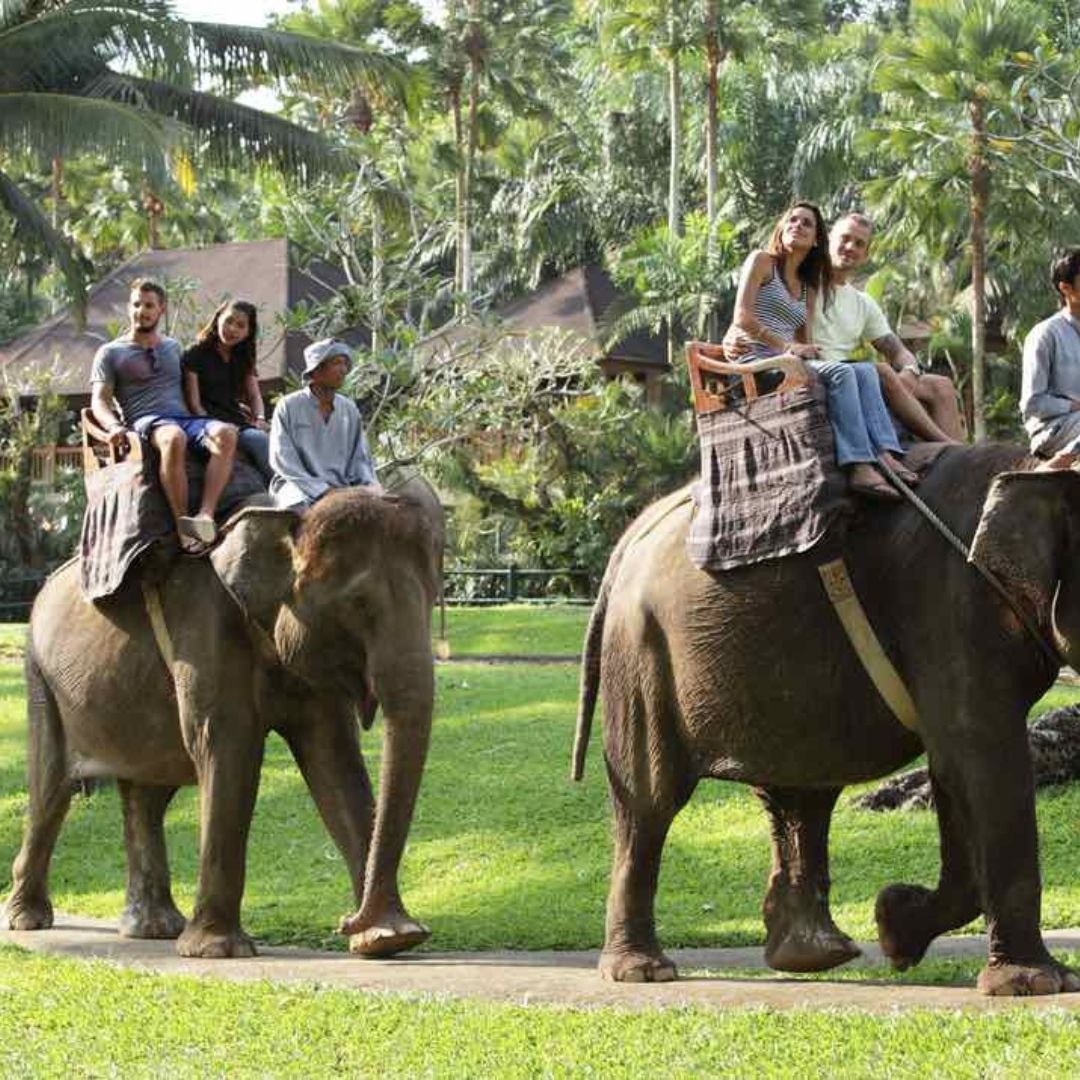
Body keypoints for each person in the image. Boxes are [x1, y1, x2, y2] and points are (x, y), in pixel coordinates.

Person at [724, 202, 912, 501]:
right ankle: (858, 464)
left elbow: (803, 338)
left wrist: (806, 350)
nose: (797, 225)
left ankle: (885, 452)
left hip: (786, 362)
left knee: (862, 370)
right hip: (756, 362)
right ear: (782, 228)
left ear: (815, 241)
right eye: (792, 220)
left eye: (807, 223)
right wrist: (785, 347)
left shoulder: (806, 286)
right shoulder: (762, 261)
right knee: (840, 371)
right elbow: (742, 317)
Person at [90, 279, 238, 553]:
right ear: (129, 307)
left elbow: (195, 389)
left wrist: (235, 408)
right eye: (136, 304)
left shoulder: (173, 347)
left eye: (148, 305)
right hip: (147, 420)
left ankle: (204, 515)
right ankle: (184, 526)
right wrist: (112, 426)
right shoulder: (110, 353)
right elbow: (99, 400)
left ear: (161, 310)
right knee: (173, 437)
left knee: (227, 432)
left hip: (184, 417)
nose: (141, 311)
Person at [814, 212, 964, 443]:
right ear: (828, 239)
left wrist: (910, 372)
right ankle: (947, 445)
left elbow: (897, 351)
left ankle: (960, 464)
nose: (850, 247)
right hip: (823, 374)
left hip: (857, 377)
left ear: (866, 255)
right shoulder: (804, 284)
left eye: (859, 244)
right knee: (881, 372)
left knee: (940, 386)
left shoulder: (863, 303)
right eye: (845, 238)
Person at [269, 338, 383, 509]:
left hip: (342, 487)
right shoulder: (288, 406)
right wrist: (322, 491)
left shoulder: (349, 409)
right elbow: (283, 459)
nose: (344, 370)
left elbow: (360, 458)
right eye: (337, 363)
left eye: (345, 364)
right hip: (296, 486)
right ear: (316, 370)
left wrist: (371, 486)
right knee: (297, 508)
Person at [182, 299, 272, 482]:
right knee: (259, 441)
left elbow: (254, 394)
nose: (232, 329)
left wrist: (260, 418)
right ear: (218, 319)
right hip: (209, 424)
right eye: (229, 321)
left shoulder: (243, 356)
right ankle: (282, 487)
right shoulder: (196, 353)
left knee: (270, 437)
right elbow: (194, 404)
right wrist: (216, 427)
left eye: (240, 325)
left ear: (248, 332)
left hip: (238, 422)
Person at [1020, 248, 1080, 470]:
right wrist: (1075, 405)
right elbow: (1032, 403)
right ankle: (1052, 468)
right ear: (1066, 288)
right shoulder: (1045, 334)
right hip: (1052, 429)